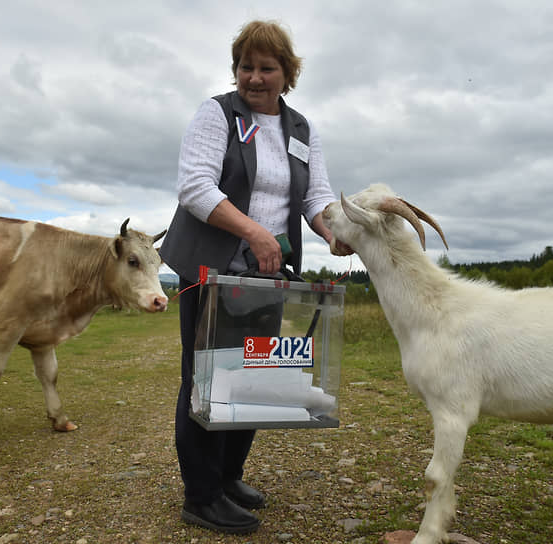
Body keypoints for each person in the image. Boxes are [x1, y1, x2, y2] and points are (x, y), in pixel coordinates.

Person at [159, 19, 351, 534]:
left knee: (250, 373)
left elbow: (314, 198)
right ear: (235, 70)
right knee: (206, 377)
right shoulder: (216, 114)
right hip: (211, 267)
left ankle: (227, 476)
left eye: (267, 68)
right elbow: (195, 188)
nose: (254, 77)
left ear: (288, 74)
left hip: (265, 273)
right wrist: (255, 232)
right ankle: (200, 496)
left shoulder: (300, 129)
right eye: (246, 66)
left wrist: (335, 234)